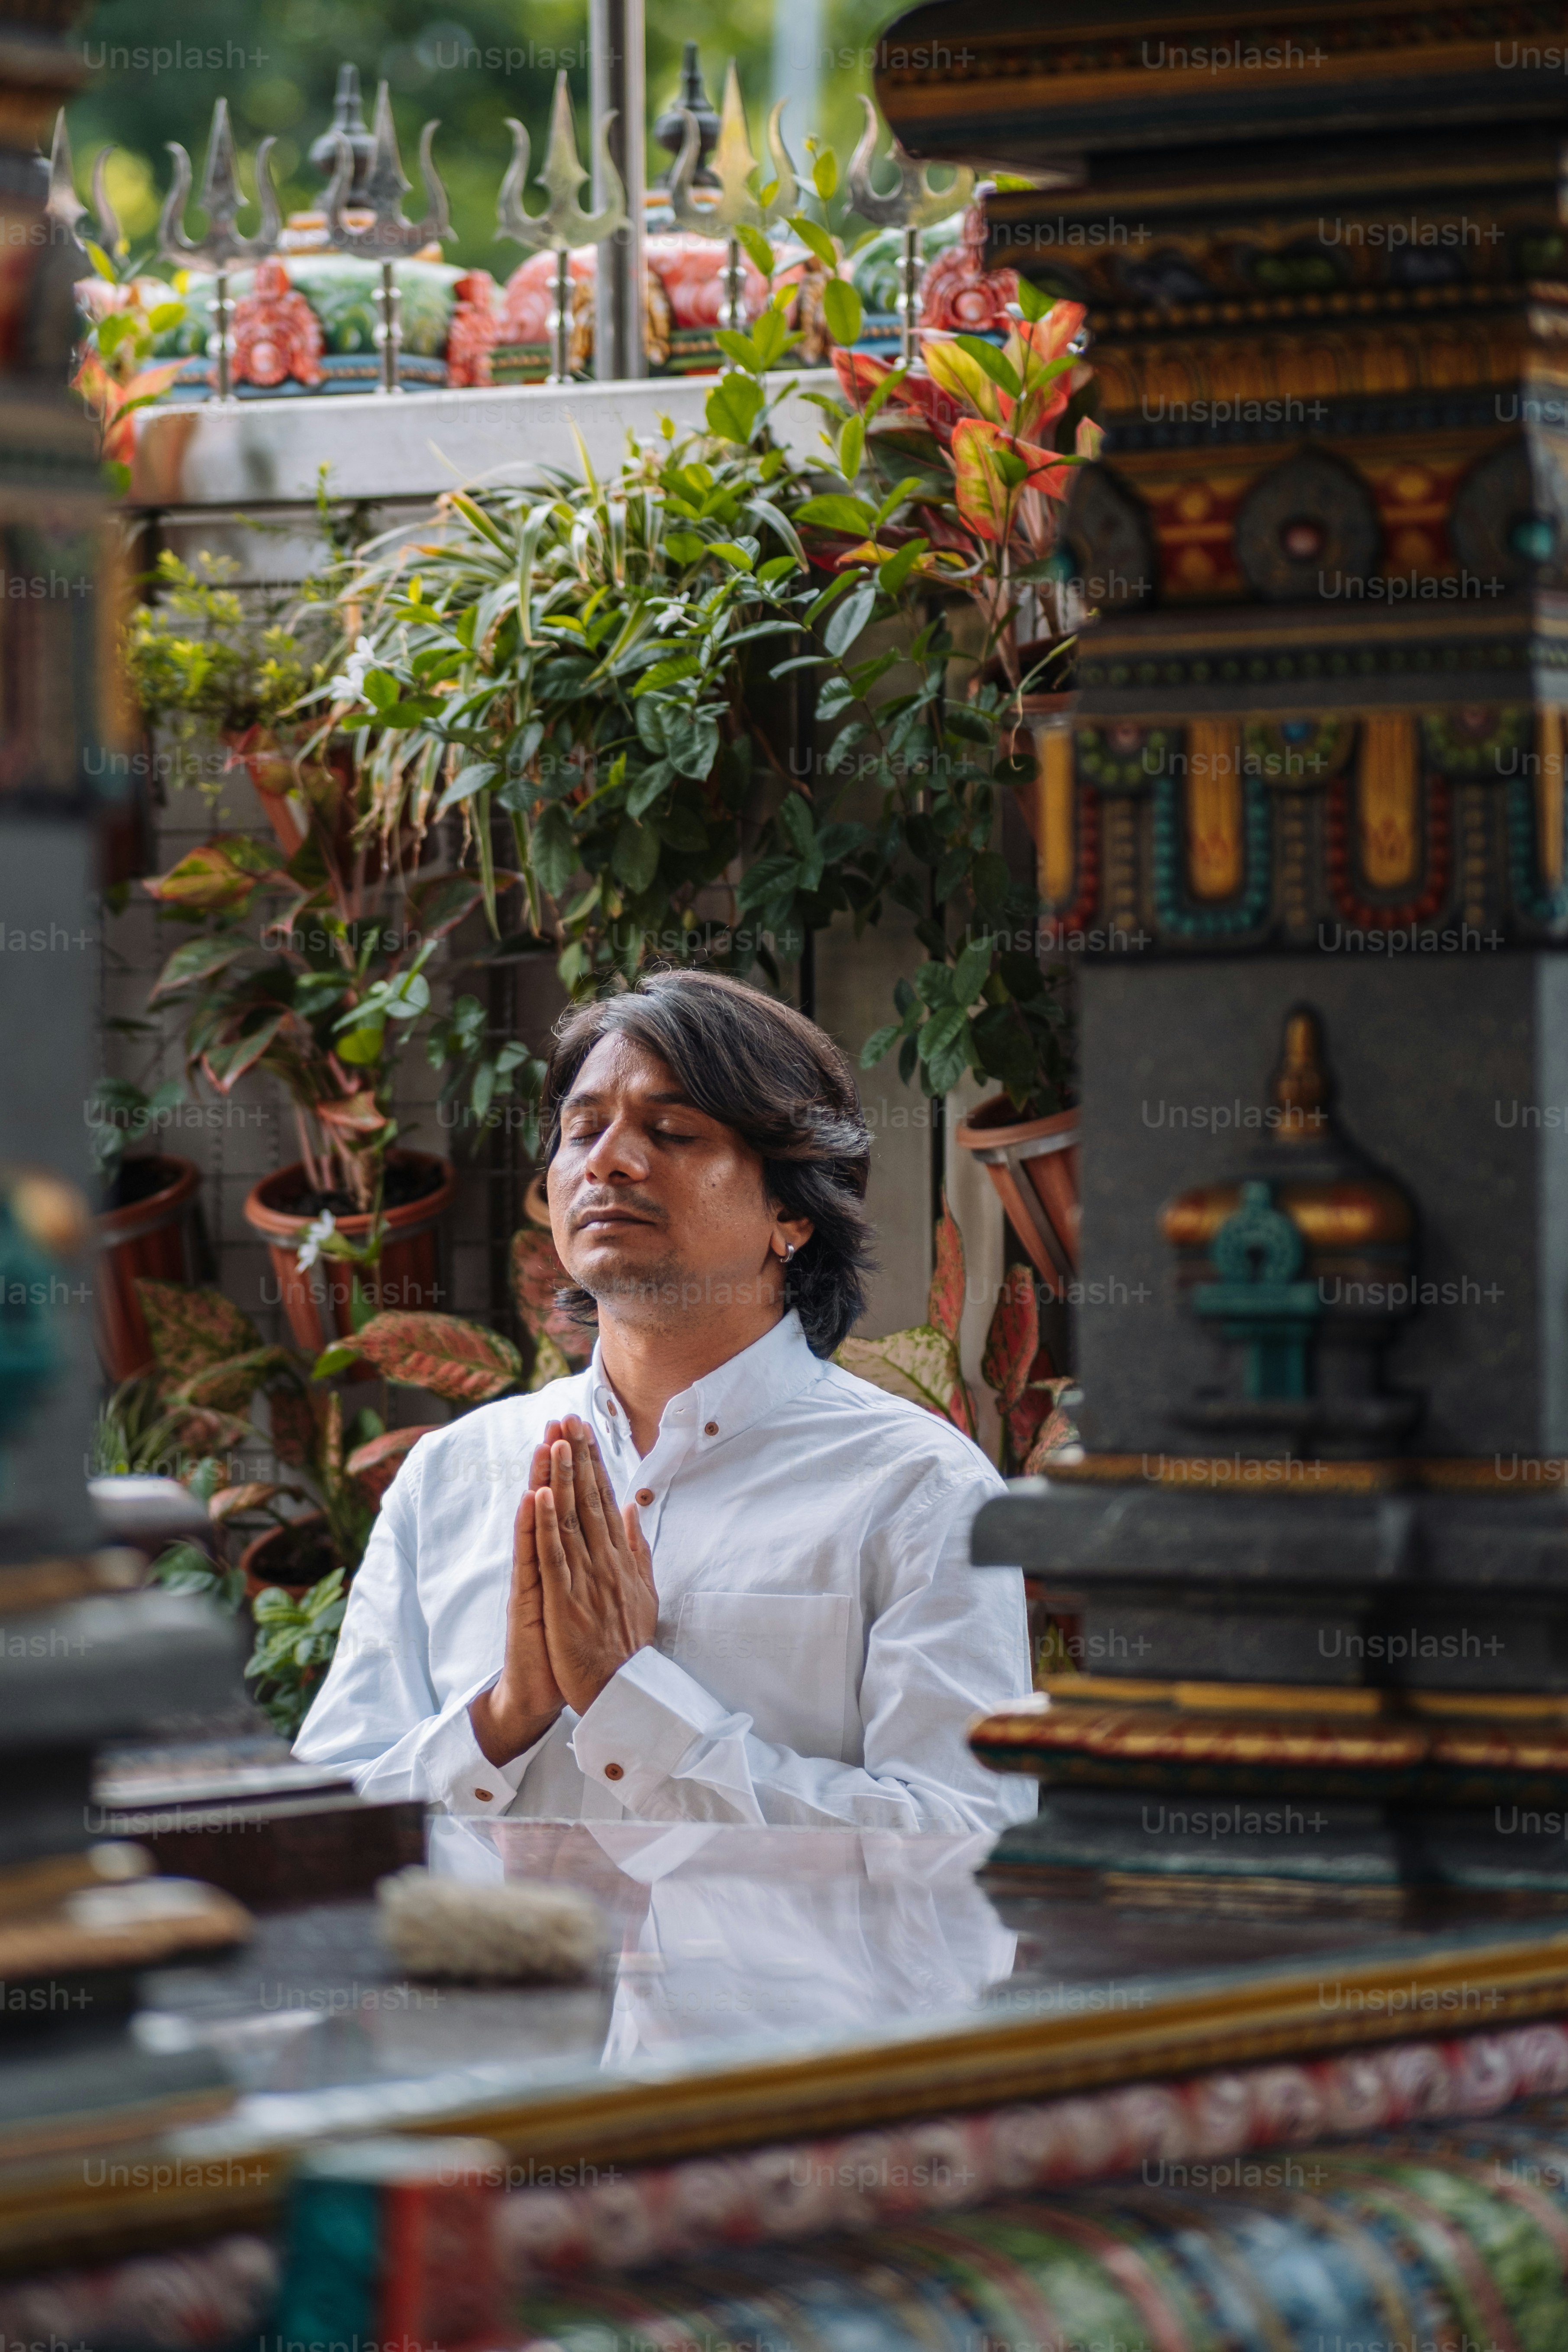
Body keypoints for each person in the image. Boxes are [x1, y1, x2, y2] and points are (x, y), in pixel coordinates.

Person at [293, 970, 1037, 1833]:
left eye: (672, 1129)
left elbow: (962, 1845)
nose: (606, 1158)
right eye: (581, 1128)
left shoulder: (917, 1489)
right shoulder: (454, 1473)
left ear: (791, 1210)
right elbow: (324, 1824)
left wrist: (634, 1707)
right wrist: (500, 1722)